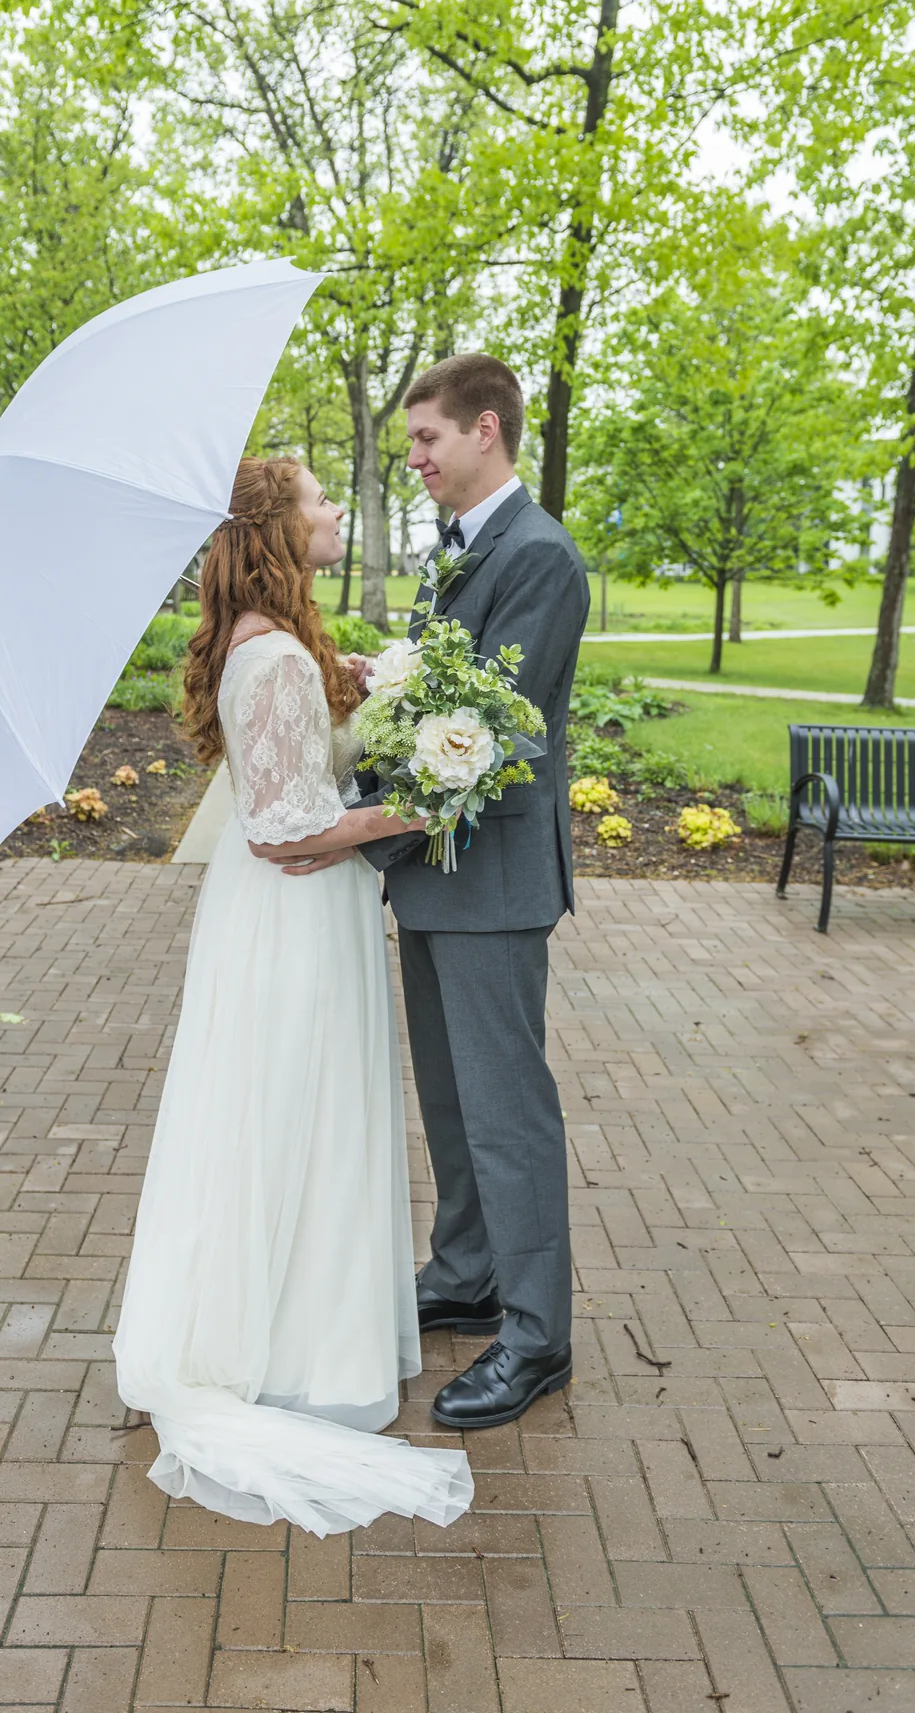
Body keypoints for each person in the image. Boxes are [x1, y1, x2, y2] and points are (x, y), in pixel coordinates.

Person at [112, 454, 474, 1537]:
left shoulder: (278, 645)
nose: (332, 509)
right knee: (293, 1118)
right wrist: (414, 805)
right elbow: (281, 830)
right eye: (319, 499)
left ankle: (291, 1328)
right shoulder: (268, 658)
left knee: (288, 1116)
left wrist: (372, 685)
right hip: (290, 918)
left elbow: (299, 765)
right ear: (277, 527)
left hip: (293, 916)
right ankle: (295, 1355)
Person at [360, 353, 590, 1430]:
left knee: (508, 1113)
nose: (415, 460)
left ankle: (537, 1335)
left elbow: (492, 729)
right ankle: (466, 1269)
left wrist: (351, 826)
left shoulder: (541, 557)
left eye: (426, 441)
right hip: (434, 873)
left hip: (492, 877)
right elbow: (431, 699)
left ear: (485, 429)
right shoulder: (453, 551)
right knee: (450, 1099)